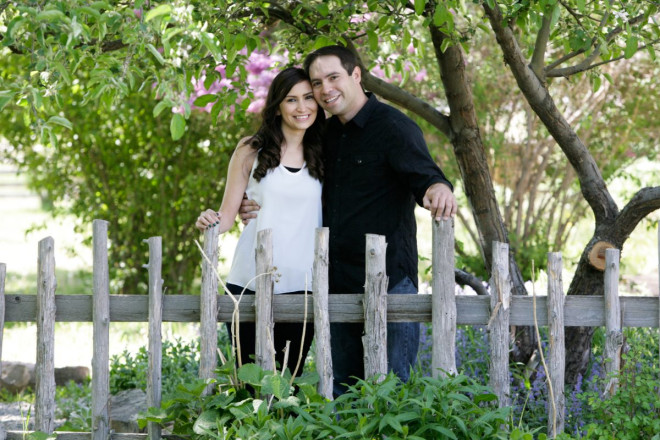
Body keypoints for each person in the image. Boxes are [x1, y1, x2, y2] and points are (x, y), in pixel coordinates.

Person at [241, 45, 457, 396]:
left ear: (356, 75)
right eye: (317, 82)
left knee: (393, 392)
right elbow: (288, 183)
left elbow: (427, 177)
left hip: (388, 282)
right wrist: (251, 203)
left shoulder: (394, 127)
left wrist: (439, 189)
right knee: (342, 392)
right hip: (336, 283)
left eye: (333, 77)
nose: (325, 89)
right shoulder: (322, 136)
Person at [195, 67, 325, 376]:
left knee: (286, 384)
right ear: (277, 105)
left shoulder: (325, 152)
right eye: (291, 100)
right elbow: (226, 216)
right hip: (249, 281)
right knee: (249, 382)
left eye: (309, 98)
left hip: (303, 287)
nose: (302, 107)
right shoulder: (250, 149)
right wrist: (209, 218)